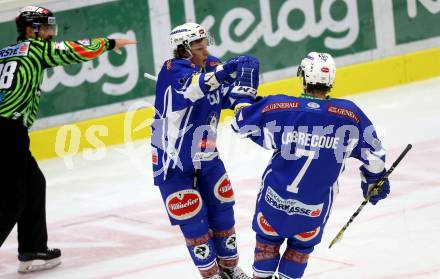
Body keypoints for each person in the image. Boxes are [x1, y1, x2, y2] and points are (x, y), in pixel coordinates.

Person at [0, 6, 135, 273]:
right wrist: (109, 43)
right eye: (46, 28)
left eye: (52, 28)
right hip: (8, 130)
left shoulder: (4, 54)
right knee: (12, 197)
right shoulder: (34, 49)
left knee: (34, 184)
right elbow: (73, 50)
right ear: (30, 30)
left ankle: (33, 248)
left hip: (8, 131)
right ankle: (31, 248)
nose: (51, 33)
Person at [231, 52, 391, 279]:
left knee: (267, 244)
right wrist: (375, 179)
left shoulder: (280, 106)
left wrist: (242, 99)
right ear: (331, 80)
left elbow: (241, 124)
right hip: (313, 209)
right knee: (300, 250)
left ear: (303, 77)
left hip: (273, 202)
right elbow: (374, 154)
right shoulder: (350, 115)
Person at [150, 22, 258, 279]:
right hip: (173, 161)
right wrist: (226, 72)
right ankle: (212, 276)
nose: (205, 52)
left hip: (207, 155)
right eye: (198, 47)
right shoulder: (171, 70)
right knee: (193, 223)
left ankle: (231, 270)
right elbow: (192, 88)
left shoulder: (212, 66)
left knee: (223, 213)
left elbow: (227, 97)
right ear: (183, 50)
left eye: (205, 45)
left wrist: (246, 97)